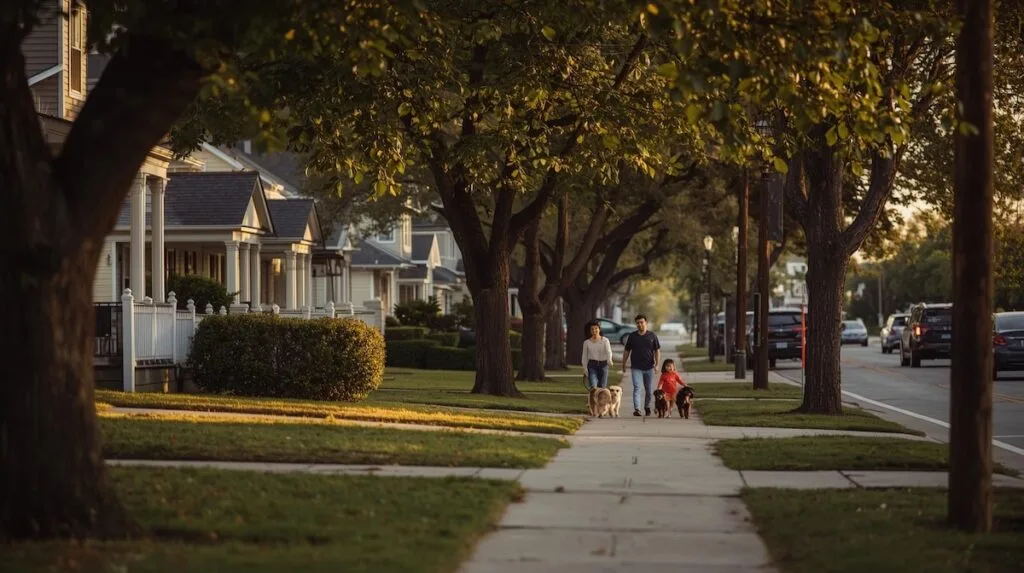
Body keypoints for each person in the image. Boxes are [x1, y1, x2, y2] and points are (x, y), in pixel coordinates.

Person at [621, 314, 661, 416]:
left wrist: (657, 364)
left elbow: (657, 351)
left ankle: (647, 406)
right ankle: (637, 409)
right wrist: (623, 363)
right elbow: (627, 350)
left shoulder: (652, 336)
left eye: (641, 322)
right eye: (637, 323)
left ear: (646, 323)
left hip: (649, 367)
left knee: (648, 390)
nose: (640, 324)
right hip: (636, 367)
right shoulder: (632, 336)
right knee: (637, 387)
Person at [581, 321, 614, 389]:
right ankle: (592, 399)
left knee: (602, 387)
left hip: (603, 365)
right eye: (592, 329)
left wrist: (609, 360)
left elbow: (609, 351)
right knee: (593, 387)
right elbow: (584, 356)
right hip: (592, 365)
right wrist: (585, 368)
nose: (594, 330)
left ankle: (600, 399)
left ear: (599, 329)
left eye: (596, 328)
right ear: (590, 331)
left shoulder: (605, 340)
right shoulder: (586, 342)